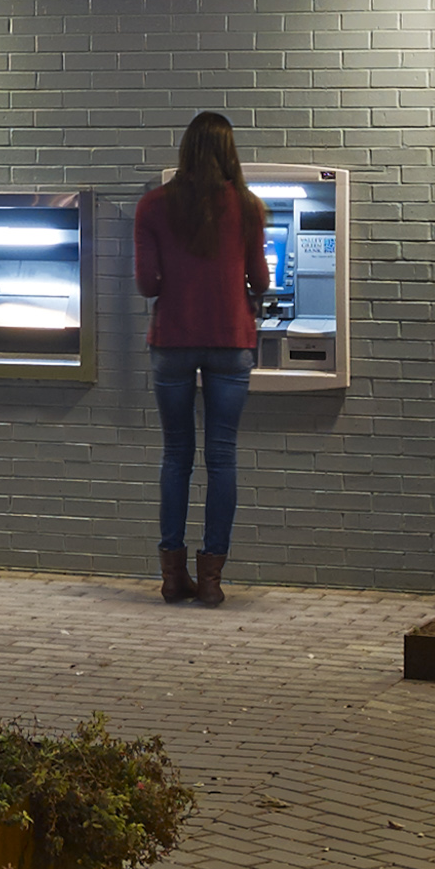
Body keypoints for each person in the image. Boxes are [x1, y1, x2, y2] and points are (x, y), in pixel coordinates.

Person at [137, 111, 267, 606]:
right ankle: (211, 580)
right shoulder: (249, 208)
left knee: (176, 456)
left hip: (171, 341)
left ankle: (172, 578)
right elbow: (259, 280)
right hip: (231, 341)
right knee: (222, 457)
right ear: (228, 152)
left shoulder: (153, 207)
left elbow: (147, 283)